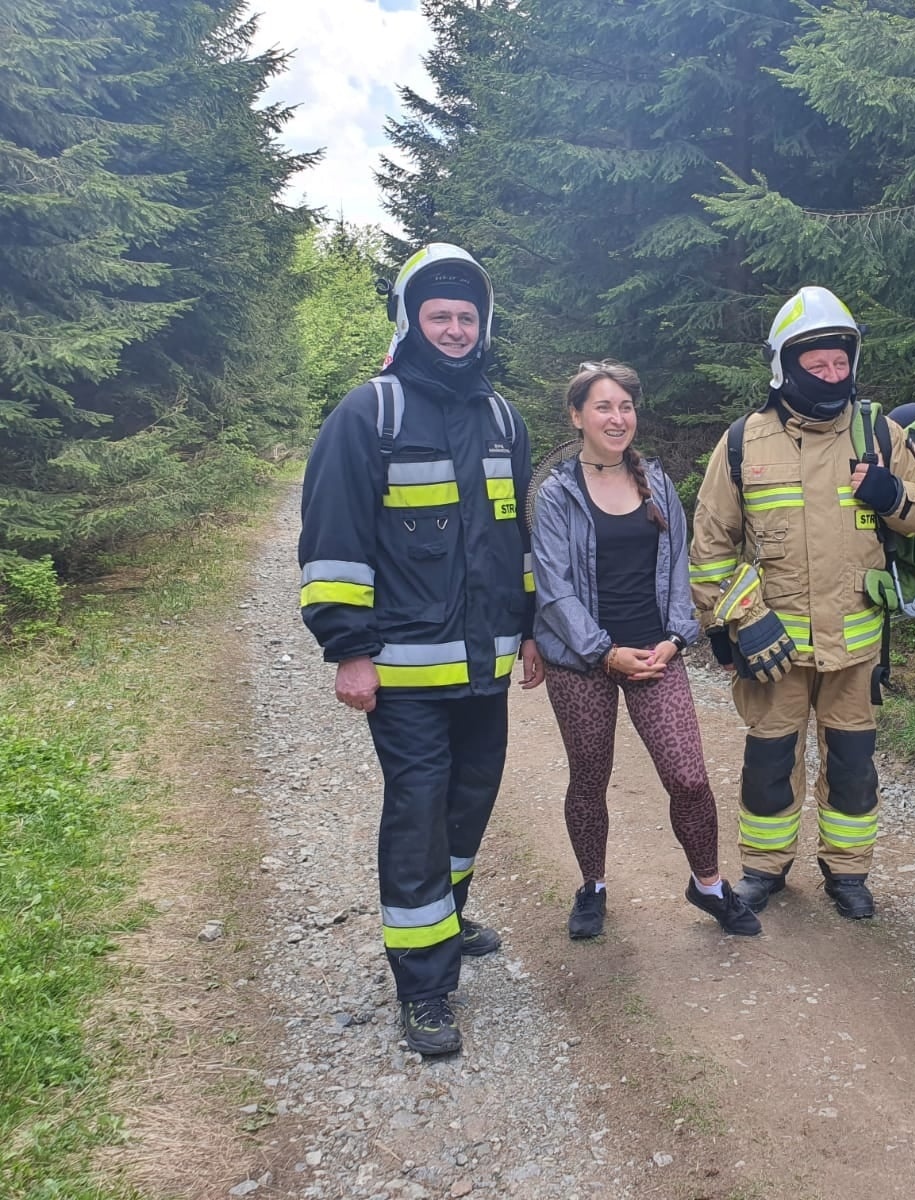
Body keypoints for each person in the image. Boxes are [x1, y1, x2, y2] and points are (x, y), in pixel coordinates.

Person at [298, 243, 543, 1056]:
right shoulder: (369, 414)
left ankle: (446, 909)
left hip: (486, 669)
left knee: (471, 802)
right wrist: (348, 650)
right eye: (438, 315)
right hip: (402, 676)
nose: (453, 328)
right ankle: (426, 988)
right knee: (418, 812)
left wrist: (534, 630)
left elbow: (518, 543)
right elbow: (333, 543)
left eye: (466, 317)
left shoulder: (503, 418)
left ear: (484, 327)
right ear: (410, 322)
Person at [689, 287, 915, 919]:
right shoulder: (743, 443)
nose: (832, 375)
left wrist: (894, 495)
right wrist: (735, 625)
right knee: (770, 760)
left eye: (840, 363)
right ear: (786, 367)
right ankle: (764, 869)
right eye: (817, 365)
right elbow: (710, 548)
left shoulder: (880, 436)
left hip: (854, 649)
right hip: (771, 647)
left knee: (854, 766)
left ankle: (848, 872)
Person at [531, 361, 761, 941]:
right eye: (604, 407)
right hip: (580, 660)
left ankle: (708, 885)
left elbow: (679, 569)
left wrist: (677, 636)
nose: (617, 417)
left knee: (688, 777)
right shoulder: (557, 493)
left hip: (656, 654)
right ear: (577, 416)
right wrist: (604, 652)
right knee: (589, 777)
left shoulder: (655, 483)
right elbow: (554, 588)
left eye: (626, 406)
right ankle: (592, 886)